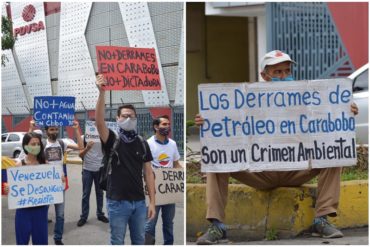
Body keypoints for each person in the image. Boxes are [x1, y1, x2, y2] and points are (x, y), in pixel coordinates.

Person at [195, 50, 359, 244]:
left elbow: (326, 121)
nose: (284, 76)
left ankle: (321, 219)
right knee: (217, 161)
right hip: (260, 173)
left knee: (334, 155)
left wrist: (345, 110)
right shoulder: (249, 100)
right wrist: (209, 120)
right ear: (264, 76)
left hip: (297, 170)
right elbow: (229, 124)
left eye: (287, 71)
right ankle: (217, 226)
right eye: (277, 72)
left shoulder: (305, 98)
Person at [95, 74, 156, 245]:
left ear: (136, 119)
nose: (128, 119)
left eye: (131, 116)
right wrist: (101, 93)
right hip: (117, 203)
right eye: (124, 116)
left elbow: (149, 174)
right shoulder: (112, 139)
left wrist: (152, 202)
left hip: (139, 203)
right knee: (117, 241)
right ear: (117, 118)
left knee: (139, 240)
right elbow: (99, 123)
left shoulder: (142, 142)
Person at [29, 120, 84, 245]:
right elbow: (27, 148)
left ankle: (58, 238)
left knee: (60, 214)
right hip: (45, 185)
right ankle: (40, 237)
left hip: (59, 185)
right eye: (52, 129)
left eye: (56, 129)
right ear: (46, 131)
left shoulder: (62, 143)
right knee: (42, 213)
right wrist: (30, 129)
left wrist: (76, 129)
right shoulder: (42, 144)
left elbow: (80, 147)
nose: (54, 131)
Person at [5, 132, 50, 245]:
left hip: (40, 210)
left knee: (41, 242)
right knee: (22, 242)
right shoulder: (19, 165)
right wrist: (8, 189)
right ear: (25, 146)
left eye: (38, 144)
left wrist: (61, 179)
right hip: (23, 211)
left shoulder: (45, 164)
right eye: (33, 144)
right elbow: (12, 188)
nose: (36, 147)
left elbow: (53, 184)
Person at [144, 115, 182, 245]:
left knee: (168, 224)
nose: (167, 127)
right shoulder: (148, 144)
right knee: (149, 223)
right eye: (164, 124)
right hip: (154, 190)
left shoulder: (172, 144)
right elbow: (145, 168)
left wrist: (180, 176)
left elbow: (176, 164)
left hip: (168, 191)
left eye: (168, 124)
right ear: (156, 127)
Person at [77, 130, 109, 227]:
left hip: (100, 169)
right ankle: (84, 217)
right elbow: (80, 155)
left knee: (100, 193)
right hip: (87, 170)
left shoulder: (103, 137)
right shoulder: (84, 138)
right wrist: (87, 148)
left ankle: (100, 214)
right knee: (86, 194)